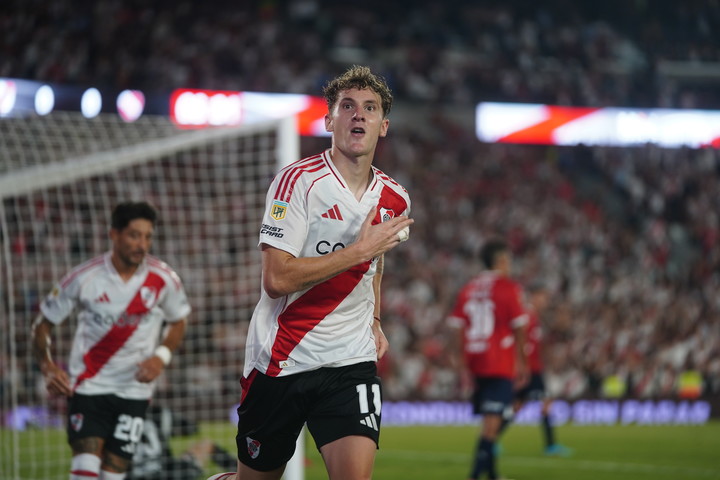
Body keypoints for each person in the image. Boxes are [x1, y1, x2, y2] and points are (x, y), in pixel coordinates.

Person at [206, 65, 412, 480]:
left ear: (383, 126)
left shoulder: (396, 198)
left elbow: (377, 260)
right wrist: (358, 250)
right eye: (348, 106)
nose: (359, 115)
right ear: (329, 120)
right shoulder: (296, 183)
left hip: (350, 361)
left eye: (370, 109)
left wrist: (373, 319)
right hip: (282, 359)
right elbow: (277, 278)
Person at [32, 201, 191, 480]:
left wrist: (160, 357)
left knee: (113, 476)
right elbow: (42, 325)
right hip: (88, 386)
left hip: (135, 391)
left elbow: (178, 320)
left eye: (148, 236)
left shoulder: (164, 279)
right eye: (134, 235)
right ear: (113, 234)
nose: (142, 244)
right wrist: (48, 367)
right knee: (86, 469)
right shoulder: (84, 278)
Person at [448, 239, 529, 480]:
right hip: (498, 362)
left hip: (475, 361)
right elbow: (520, 326)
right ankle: (474, 476)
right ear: (501, 260)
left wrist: (461, 361)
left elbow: (456, 326)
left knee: (490, 421)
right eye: (508, 259)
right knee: (492, 427)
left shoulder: (468, 288)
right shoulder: (508, 287)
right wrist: (523, 362)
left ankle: (493, 474)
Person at [509, 281, 572, 456]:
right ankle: (550, 445)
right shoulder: (527, 317)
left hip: (533, 368)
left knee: (517, 406)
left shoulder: (534, 317)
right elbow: (518, 343)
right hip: (529, 370)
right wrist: (520, 367)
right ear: (535, 297)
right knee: (544, 402)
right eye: (543, 297)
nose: (545, 301)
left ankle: (492, 439)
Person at [127, 404, 237, 480]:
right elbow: (192, 428)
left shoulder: (116, 417)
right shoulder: (159, 412)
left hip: (129, 474)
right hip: (168, 473)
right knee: (206, 444)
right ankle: (239, 473)